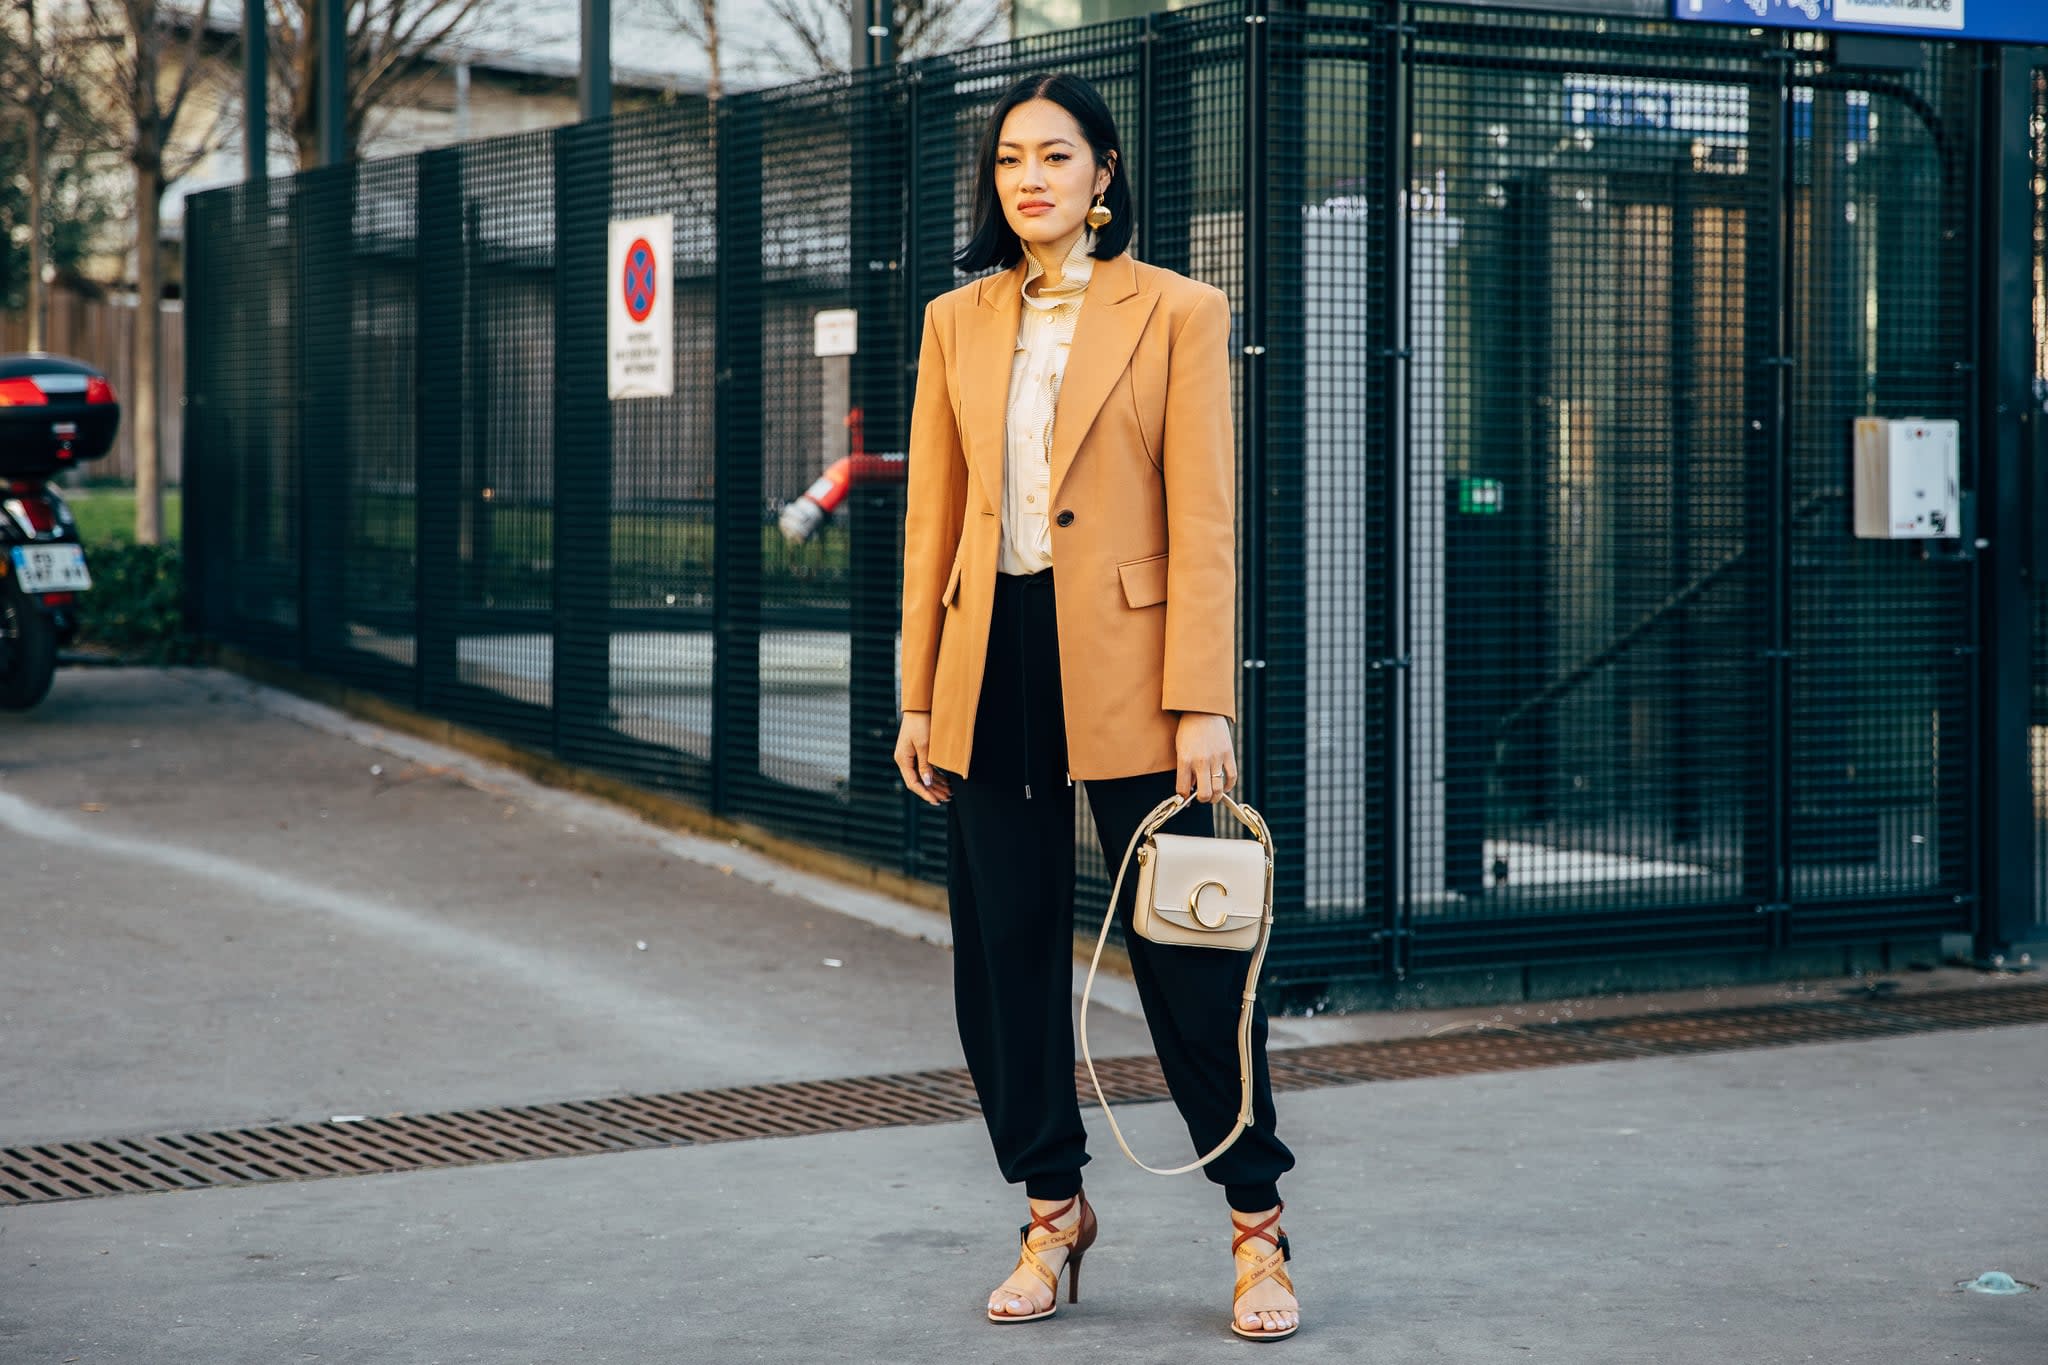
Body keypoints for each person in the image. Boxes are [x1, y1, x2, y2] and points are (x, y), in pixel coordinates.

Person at [892, 70, 1301, 1342]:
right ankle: (1051, 1210)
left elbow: (1205, 522)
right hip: (990, 660)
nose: (1029, 178)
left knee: (1188, 956)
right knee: (1002, 957)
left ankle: (1255, 1228)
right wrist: (916, 695)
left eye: (1055, 157)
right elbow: (932, 523)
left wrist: (1202, 705)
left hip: (1133, 665)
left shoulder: (1177, 310)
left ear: (1103, 174)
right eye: (1010, 158)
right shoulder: (955, 320)